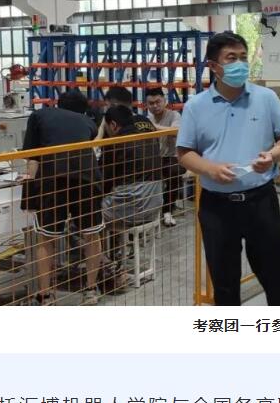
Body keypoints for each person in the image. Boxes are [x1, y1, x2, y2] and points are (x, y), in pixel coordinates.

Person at [176, 31, 280, 306]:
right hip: (216, 206)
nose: (239, 64)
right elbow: (184, 153)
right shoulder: (195, 107)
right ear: (213, 66)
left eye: (243, 57)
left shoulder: (265, 98)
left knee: (276, 274)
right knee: (224, 282)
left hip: (260, 201)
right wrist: (210, 169)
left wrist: (272, 156)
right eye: (231, 58)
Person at [19, 90, 104, 305]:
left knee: (46, 238)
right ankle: (91, 290)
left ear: (58, 104)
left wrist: (29, 186)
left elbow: (33, 157)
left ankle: (45, 296)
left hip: (53, 179)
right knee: (91, 235)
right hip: (87, 179)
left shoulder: (39, 115)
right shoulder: (88, 122)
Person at [99, 104, 163, 238]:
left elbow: (104, 181)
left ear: (113, 125)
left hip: (130, 211)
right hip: (154, 206)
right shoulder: (149, 134)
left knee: (84, 215)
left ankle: (98, 252)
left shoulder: (116, 142)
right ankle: (115, 246)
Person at [145, 87, 184, 227]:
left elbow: (175, 131)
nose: (155, 106)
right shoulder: (148, 119)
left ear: (165, 101)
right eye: (151, 103)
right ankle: (146, 212)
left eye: (158, 102)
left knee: (174, 172)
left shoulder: (174, 115)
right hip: (155, 158)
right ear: (146, 105)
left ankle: (167, 211)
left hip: (173, 157)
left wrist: (153, 127)